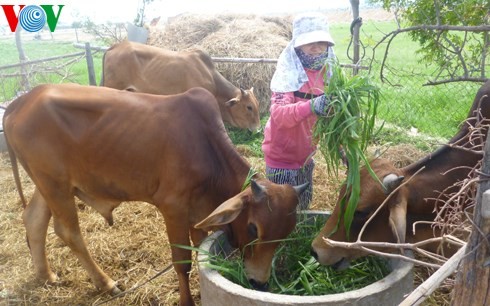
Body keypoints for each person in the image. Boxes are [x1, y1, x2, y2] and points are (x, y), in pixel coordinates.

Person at [262, 12, 336, 210]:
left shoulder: (328, 75)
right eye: (309, 42)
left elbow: (332, 118)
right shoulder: (288, 74)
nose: (316, 47)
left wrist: (342, 149)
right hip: (281, 158)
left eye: (321, 41)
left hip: (306, 156)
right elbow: (279, 114)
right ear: (297, 45)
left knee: (302, 207)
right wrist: (312, 105)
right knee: (281, 212)